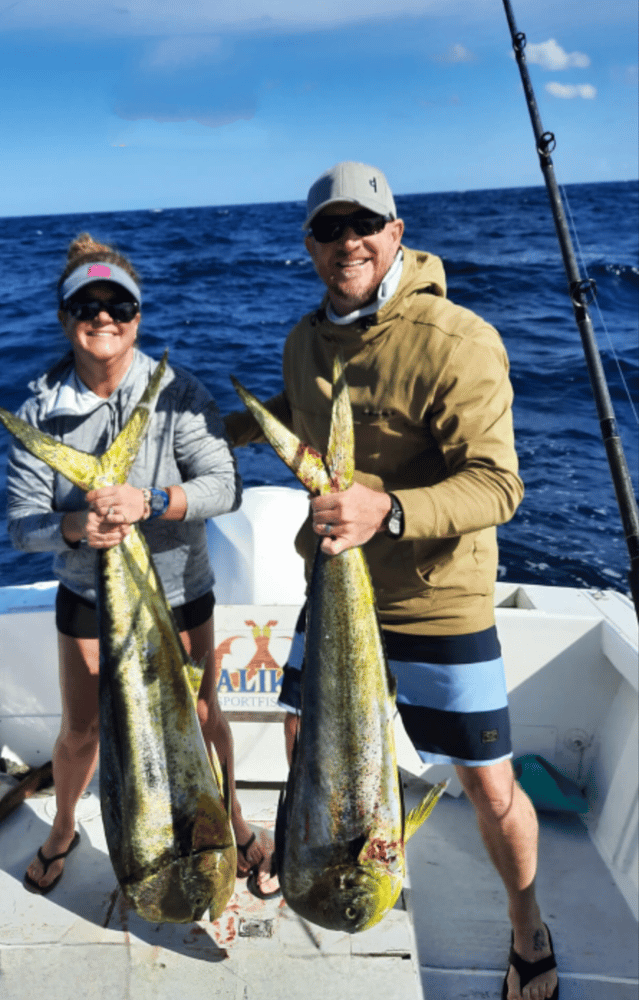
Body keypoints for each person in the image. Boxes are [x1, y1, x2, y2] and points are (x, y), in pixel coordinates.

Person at [225, 163, 558, 1000]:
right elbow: (298, 414)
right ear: (308, 246)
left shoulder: (458, 339)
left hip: (433, 598)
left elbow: (498, 484)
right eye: (330, 230)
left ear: (396, 233)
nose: (349, 243)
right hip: (333, 589)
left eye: (365, 225)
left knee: (487, 783)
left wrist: (391, 509)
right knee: (305, 752)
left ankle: (527, 926)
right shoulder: (305, 340)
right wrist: (201, 424)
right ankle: (304, 857)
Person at [7, 233, 273, 897]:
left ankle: (233, 824)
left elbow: (224, 484)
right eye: (86, 305)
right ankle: (65, 827)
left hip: (181, 590)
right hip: (89, 599)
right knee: (82, 730)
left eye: (117, 305)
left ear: (137, 317)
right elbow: (22, 529)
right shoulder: (39, 412)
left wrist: (151, 499)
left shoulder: (179, 392)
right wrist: (75, 524)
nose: (103, 317)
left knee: (203, 714)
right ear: (64, 318)